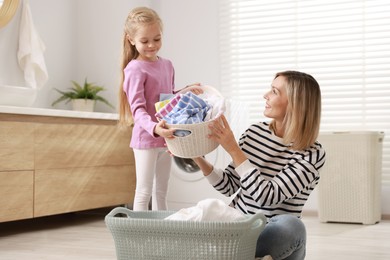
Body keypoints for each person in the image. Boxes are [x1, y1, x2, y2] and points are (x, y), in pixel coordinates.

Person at [192, 71, 326, 259]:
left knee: (292, 226)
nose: (266, 95)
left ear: (295, 103)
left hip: (273, 236)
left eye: (274, 91)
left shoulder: (312, 154)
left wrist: (234, 149)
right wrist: (196, 157)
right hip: (240, 228)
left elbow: (266, 197)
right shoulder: (254, 133)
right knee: (203, 214)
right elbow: (229, 185)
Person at [118, 6, 201, 211]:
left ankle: (162, 233)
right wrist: (155, 128)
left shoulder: (167, 65)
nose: (152, 45)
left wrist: (186, 90)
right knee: (144, 191)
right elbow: (138, 110)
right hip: (147, 138)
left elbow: (167, 99)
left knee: (162, 190)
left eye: (157, 39)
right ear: (131, 39)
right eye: (144, 41)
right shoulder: (135, 69)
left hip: (167, 136)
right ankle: (140, 239)